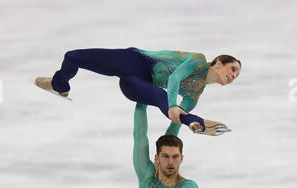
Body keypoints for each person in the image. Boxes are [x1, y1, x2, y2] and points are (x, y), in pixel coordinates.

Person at [35, 47, 241, 136]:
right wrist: (172, 106)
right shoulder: (197, 60)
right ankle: (59, 85)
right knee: (72, 57)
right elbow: (175, 78)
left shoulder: (195, 93)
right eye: (233, 69)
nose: (233, 76)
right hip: (134, 59)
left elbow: (173, 123)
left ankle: (199, 122)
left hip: (137, 85)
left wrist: (168, 147)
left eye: (237, 75)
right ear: (218, 63)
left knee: (163, 99)